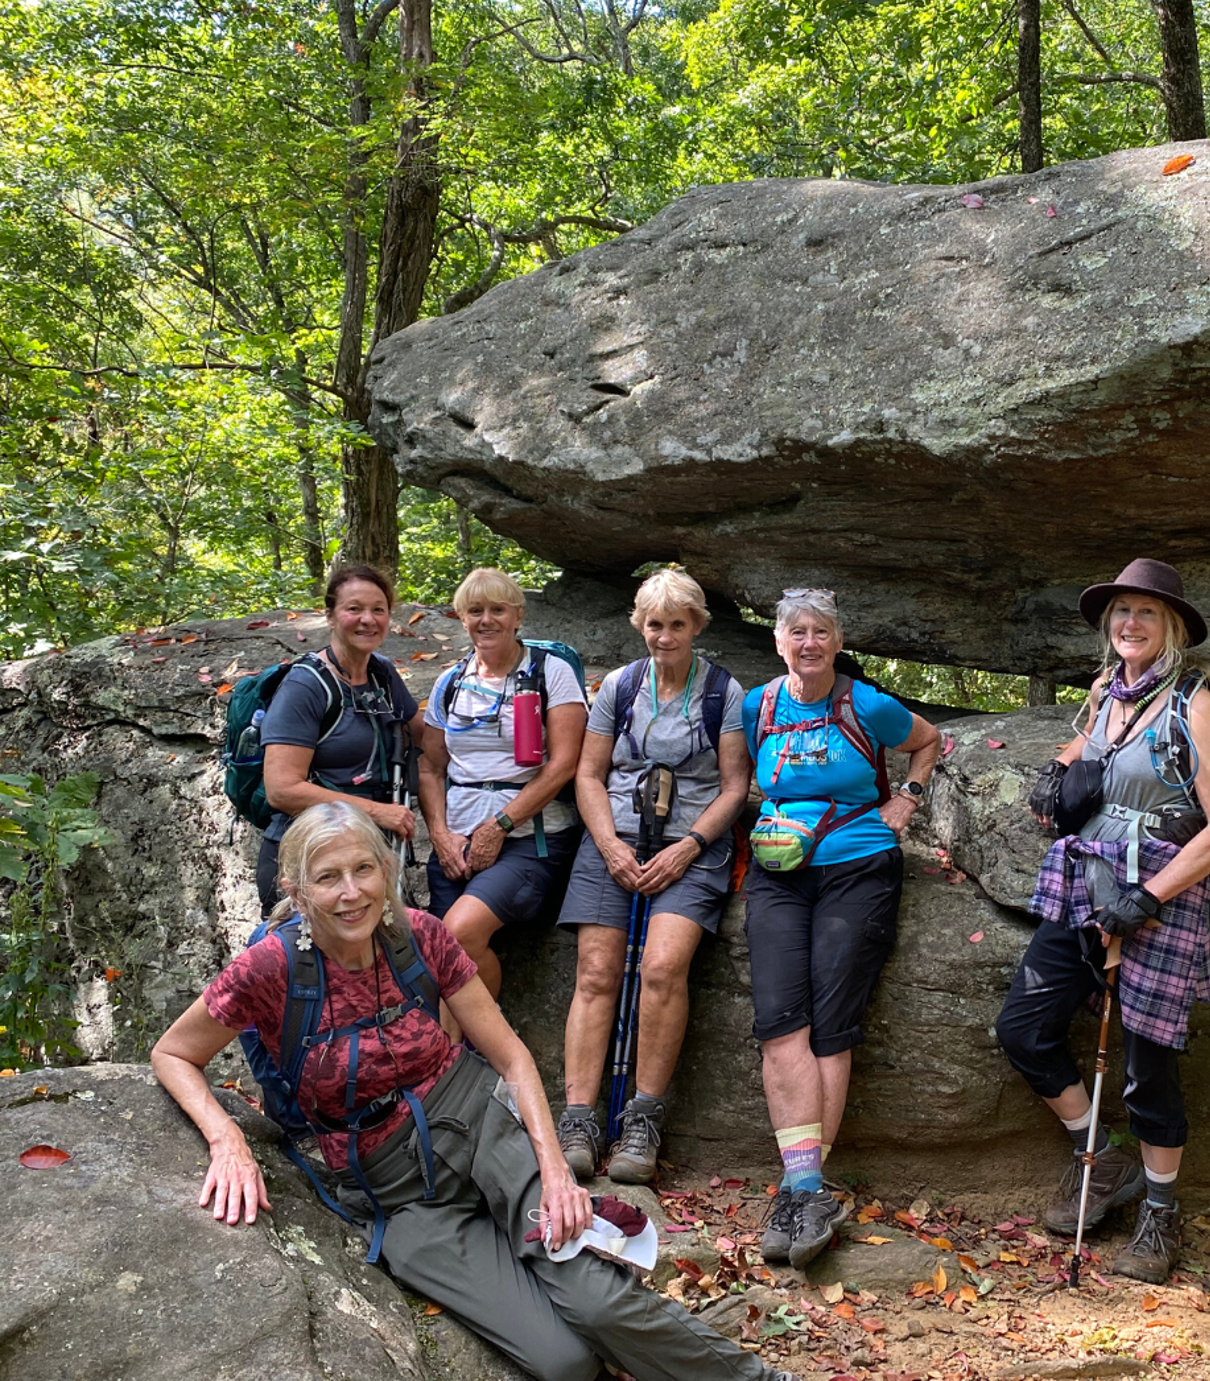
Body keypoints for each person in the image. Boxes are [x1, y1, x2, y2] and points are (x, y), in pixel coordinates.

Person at [151, 802, 800, 1381]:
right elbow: (174, 1052)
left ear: (386, 869)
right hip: (396, 1192)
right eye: (328, 878)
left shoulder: (420, 935)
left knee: (595, 1301)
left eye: (364, 869)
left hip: (478, 1121)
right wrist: (227, 1137)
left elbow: (510, 1054)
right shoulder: (269, 967)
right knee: (564, 1361)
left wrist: (553, 1170)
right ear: (295, 888)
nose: (352, 893)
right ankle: (537, 1269)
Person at [994, 558, 1210, 1285]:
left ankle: (1160, 1214)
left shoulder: (1194, 703)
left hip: (1156, 898)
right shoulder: (1110, 691)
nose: (1129, 624)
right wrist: (1058, 766)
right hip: (1084, 886)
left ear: (1170, 627)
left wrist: (1149, 898)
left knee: (1147, 1069)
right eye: (1121, 613)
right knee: (1024, 1028)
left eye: (1146, 612)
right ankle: (1101, 1160)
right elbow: (1096, 746)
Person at [742, 588, 943, 1270]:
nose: (808, 642)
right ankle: (804, 1186)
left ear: (835, 639)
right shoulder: (759, 705)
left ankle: (805, 1189)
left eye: (819, 631)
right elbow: (744, 777)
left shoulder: (865, 703)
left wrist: (905, 799)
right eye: (796, 630)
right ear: (778, 641)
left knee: (830, 1020)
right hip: (776, 871)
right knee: (779, 1021)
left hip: (857, 866)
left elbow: (928, 740)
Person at [557, 568, 751, 1185]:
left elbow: (734, 785)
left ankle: (643, 1119)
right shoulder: (619, 686)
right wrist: (609, 845)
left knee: (663, 968)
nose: (663, 636)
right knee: (595, 971)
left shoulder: (725, 692)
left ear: (696, 626)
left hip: (690, 846)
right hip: (614, 840)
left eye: (676, 625)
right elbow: (588, 774)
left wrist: (690, 846)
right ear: (640, 625)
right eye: (653, 624)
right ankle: (580, 1119)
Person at [418, 567, 587, 997]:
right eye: (475, 611)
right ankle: (454, 1058)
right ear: (461, 617)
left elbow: (564, 764)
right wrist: (439, 833)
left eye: (498, 609)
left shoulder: (551, 673)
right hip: (457, 840)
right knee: (435, 954)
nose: (486, 620)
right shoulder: (450, 681)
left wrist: (500, 826)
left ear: (518, 616)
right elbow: (431, 767)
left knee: (456, 933)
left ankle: (485, 1052)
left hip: (530, 839)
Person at [256, 563, 423, 915]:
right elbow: (282, 789)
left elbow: (423, 732)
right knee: (313, 968)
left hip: (365, 856)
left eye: (378, 610)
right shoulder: (305, 686)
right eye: (354, 609)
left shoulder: (381, 673)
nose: (368, 619)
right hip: (310, 863)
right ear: (331, 616)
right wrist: (379, 812)